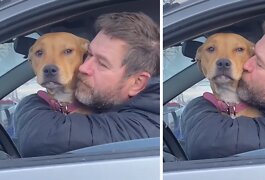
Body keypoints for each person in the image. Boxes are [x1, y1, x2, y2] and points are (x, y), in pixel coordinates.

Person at [13, 12, 160, 157]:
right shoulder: (104, 99)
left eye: (102, 63)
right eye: (89, 55)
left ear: (137, 83)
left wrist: (29, 104)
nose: (83, 67)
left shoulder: (146, 123)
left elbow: (42, 139)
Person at [181, 16, 265, 160]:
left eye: (259, 63)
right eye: (252, 56)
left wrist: (199, 105)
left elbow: (208, 142)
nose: (246, 65)